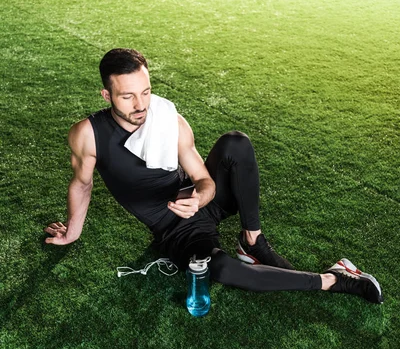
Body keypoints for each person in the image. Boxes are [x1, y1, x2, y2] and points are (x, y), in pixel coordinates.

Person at [45, 48, 383, 304]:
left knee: (235, 143)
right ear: (107, 95)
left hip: (199, 201)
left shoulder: (169, 120)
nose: (140, 105)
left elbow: (204, 180)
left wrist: (199, 199)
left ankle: (252, 240)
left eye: (146, 92)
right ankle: (334, 279)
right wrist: (72, 232)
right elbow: (82, 183)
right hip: (174, 229)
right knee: (218, 271)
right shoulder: (88, 135)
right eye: (127, 96)